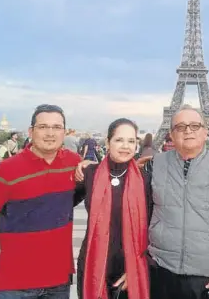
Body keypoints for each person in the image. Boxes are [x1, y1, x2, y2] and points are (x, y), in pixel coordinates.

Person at [0, 104, 81, 298]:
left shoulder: (73, 163)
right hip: (16, 281)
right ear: (31, 131)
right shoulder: (7, 170)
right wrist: (8, 243)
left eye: (57, 127)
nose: (50, 133)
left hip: (58, 280)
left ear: (64, 132)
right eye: (43, 127)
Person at [143, 105, 209, 299]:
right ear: (170, 134)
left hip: (206, 274)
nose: (188, 130)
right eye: (180, 126)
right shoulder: (154, 164)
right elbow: (140, 213)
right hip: (160, 268)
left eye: (195, 126)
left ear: (206, 132)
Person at [74, 118, 150, 299]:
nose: (125, 146)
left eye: (131, 141)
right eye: (119, 140)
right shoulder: (90, 173)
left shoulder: (145, 179)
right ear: (108, 142)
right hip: (93, 264)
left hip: (130, 267)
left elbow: (152, 228)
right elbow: (61, 205)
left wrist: (135, 269)